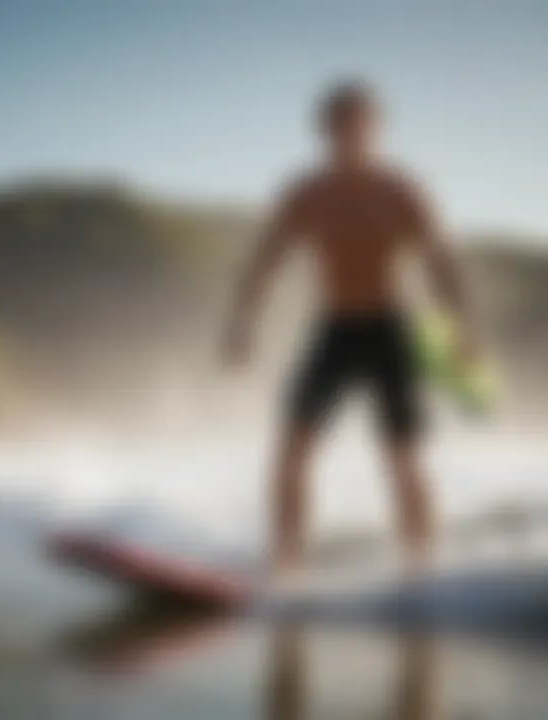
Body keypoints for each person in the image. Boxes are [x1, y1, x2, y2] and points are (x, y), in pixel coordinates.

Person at [221, 80, 478, 581]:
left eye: (363, 124)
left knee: (402, 456)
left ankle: (422, 574)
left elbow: (441, 262)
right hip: (334, 331)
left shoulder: (401, 189)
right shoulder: (306, 193)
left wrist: (464, 329)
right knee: (291, 449)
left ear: (377, 129)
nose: (352, 134)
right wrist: (241, 325)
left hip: (391, 331)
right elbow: (264, 262)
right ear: (324, 131)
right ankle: (285, 572)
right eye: (342, 124)